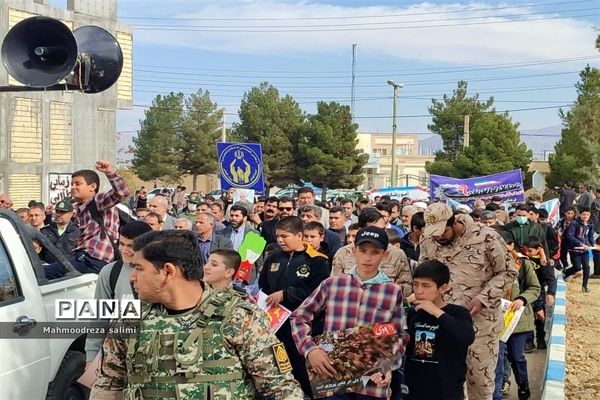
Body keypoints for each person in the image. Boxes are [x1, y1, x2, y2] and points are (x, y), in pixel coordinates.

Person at [90, 230, 304, 400]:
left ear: (167, 272)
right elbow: (108, 387)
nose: (132, 277)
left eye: (139, 268)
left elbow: (280, 389)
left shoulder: (237, 317)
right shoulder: (130, 320)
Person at [291, 227, 405, 400]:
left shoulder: (392, 291)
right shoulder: (333, 285)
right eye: (363, 251)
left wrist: (388, 365)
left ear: (385, 255)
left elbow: (398, 334)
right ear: (353, 251)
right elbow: (299, 316)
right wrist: (310, 350)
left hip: (372, 381)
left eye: (375, 252)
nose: (368, 258)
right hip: (333, 377)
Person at [419, 203, 516, 399]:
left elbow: (508, 272)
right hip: (443, 323)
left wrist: (483, 298)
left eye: (442, 231)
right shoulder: (428, 239)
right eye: (433, 233)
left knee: (479, 384)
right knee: (444, 383)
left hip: (480, 326)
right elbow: (424, 275)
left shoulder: (486, 236)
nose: (438, 237)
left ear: (454, 222)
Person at [259, 216, 330, 397]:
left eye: (285, 236)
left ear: (299, 235)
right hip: (276, 325)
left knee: (304, 372)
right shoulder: (273, 258)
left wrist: (287, 293)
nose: (280, 240)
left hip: (303, 327)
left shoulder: (317, 260)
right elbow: (264, 286)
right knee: (280, 370)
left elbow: (319, 292)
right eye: (278, 236)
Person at [44, 161, 129, 279]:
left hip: (93, 259)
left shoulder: (98, 201)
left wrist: (109, 172)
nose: (73, 187)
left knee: (42, 273)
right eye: (72, 184)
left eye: (78, 184)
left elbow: (121, 192)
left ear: (92, 187)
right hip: (83, 258)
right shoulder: (79, 208)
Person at [404, 260, 475, 400]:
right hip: (415, 389)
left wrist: (436, 312)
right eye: (416, 284)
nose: (419, 291)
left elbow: (466, 337)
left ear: (443, 288)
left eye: (426, 286)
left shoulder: (458, 313)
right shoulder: (414, 312)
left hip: (447, 390)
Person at [84, 221, 152, 365]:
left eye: (131, 246)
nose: (124, 250)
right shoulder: (110, 272)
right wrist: (91, 356)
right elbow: (99, 317)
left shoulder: (160, 273)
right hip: (117, 357)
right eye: (121, 244)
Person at [493, 231, 541, 400]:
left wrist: (521, 299)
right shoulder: (488, 265)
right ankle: (496, 392)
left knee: (516, 356)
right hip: (494, 319)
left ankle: (523, 386)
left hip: (517, 319)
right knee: (497, 359)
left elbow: (534, 288)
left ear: (511, 246)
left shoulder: (523, 264)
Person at [521, 237, 556, 351]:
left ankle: (541, 338)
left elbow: (551, 278)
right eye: (526, 250)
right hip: (525, 292)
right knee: (529, 317)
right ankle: (529, 341)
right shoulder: (523, 259)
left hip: (539, 292)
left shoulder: (543, 262)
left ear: (538, 249)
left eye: (530, 251)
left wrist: (550, 292)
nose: (528, 253)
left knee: (540, 317)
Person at [564, 207, 595, 292]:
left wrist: (593, 244)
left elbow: (590, 236)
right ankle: (565, 273)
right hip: (575, 249)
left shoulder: (590, 224)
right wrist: (580, 243)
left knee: (586, 267)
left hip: (585, 250)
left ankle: (585, 286)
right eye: (584, 214)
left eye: (587, 214)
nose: (585, 216)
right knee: (577, 267)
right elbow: (570, 236)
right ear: (580, 215)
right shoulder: (574, 223)